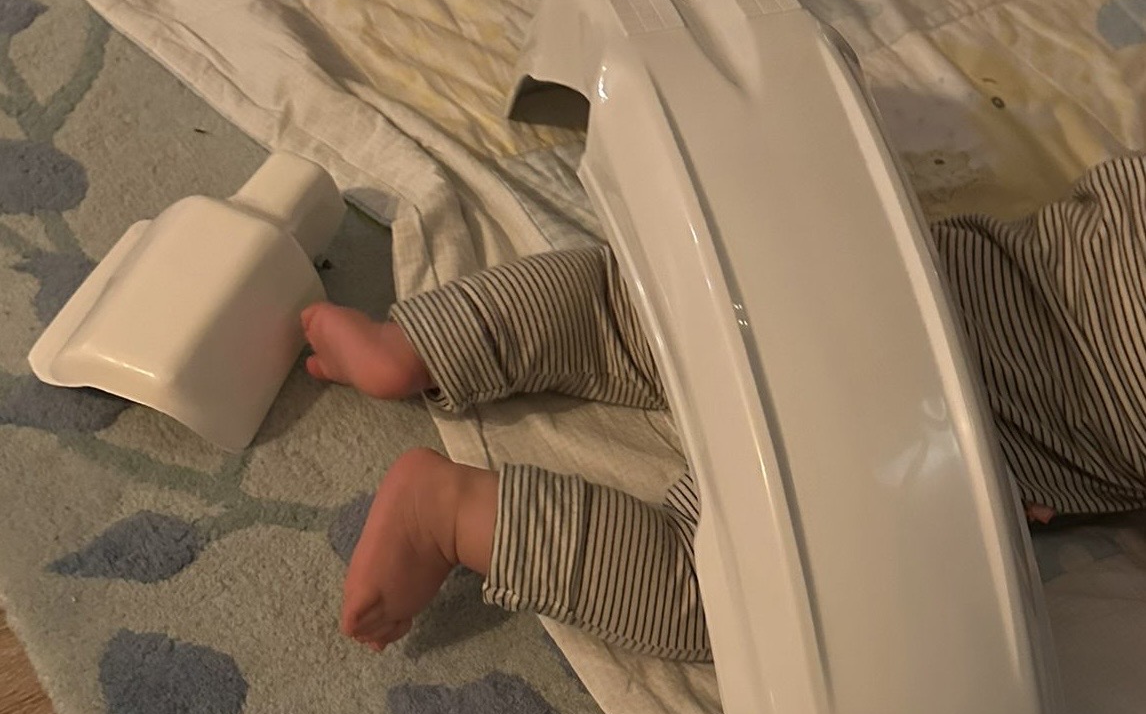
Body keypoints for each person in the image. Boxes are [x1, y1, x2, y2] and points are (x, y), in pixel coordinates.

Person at [302, 155, 1146, 659]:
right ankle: (454, 515)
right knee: (726, 592)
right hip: (906, 414)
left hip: (867, 266)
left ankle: (413, 343)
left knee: (611, 309)